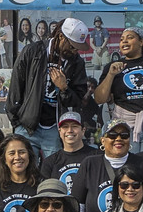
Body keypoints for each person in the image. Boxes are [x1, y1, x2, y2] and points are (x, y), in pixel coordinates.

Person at [9, 17, 93, 153]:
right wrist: (17, 123)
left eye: (77, 48)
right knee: (25, 172)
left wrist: (64, 88)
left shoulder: (77, 63)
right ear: (61, 36)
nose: (74, 51)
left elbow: (77, 100)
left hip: (55, 128)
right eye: (72, 46)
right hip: (26, 127)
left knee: (52, 172)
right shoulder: (32, 51)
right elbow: (15, 89)